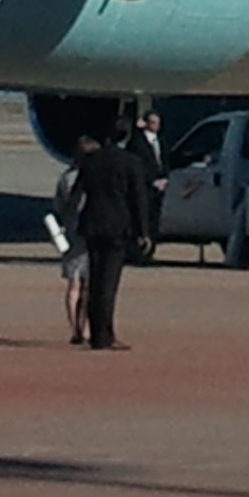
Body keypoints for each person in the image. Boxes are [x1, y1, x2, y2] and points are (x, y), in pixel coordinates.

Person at [73, 124, 151, 349]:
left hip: (92, 224)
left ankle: (97, 332)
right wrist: (143, 231)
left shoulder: (91, 160)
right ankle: (104, 335)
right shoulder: (131, 162)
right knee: (108, 283)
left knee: (96, 279)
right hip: (117, 226)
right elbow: (138, 199)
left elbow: (78, 192)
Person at [54, 135, 95, 345]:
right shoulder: (94, 176)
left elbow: (59, 207)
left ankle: (74, 329)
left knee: (73, 284)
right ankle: (85, 326)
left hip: (71, 232)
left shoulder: (66, 178)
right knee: (88, 285)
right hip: (90, 230)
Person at [127, 111, 168, 240]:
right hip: (145, 185)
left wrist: (165, 178)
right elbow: (139, 164)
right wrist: (151, 180)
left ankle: (153, 241)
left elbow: (165, 160)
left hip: (160, 186)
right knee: (144, 216)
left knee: (155, 217)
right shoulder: (138, 142)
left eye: (158, 123)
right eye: (153, 122)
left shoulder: (161, 141)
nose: (156, 125)